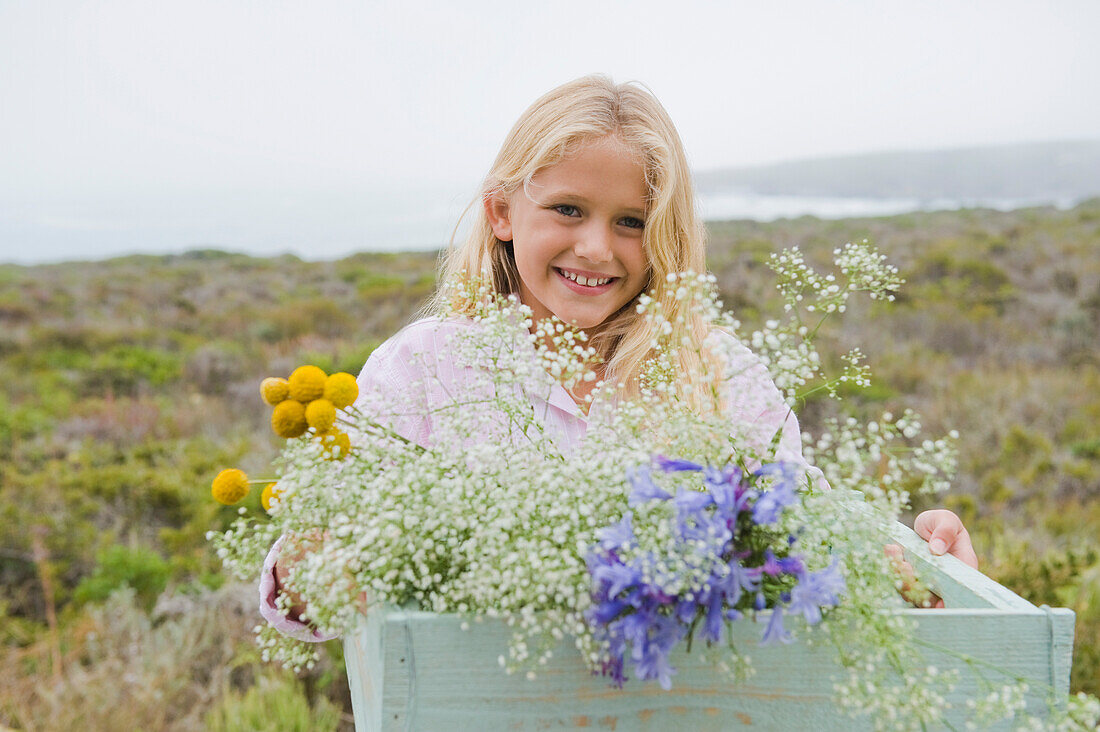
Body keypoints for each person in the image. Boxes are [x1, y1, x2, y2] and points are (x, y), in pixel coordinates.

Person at [260, 74, 978, 641]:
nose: (597, 248)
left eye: (632, 222)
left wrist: (920, 567)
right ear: (503, 214)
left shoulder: (721, 376)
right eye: (568, 210)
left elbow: (804, 542)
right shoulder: (422, 366)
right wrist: (311, 567)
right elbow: (309, 600)